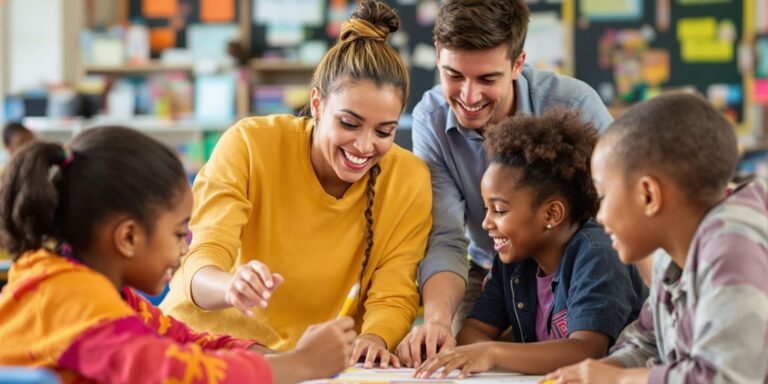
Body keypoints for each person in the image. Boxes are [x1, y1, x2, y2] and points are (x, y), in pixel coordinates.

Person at [160, 0, 431, 368]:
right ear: (317, 104)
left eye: (384, 131)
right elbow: (201, 258)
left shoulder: (408, 178)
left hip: (313, 365)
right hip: (207, 347)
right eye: (349, 124)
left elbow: (394, 290)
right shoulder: (251, 144)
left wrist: (374, 338)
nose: (365, 146)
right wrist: (230, 287)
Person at [0, 127, 357, 383]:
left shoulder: (109, 296)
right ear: (128, 237)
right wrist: (302, 366)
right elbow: (172, 373)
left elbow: (190, 343)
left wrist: (290, 359)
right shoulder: (66, 296)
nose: (185, 248)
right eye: (177, 233)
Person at [397, 0, 614, 366]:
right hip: (494, 269)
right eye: (454, 75)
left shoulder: (576, 105)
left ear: (517, 64)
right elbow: (447, 234)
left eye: (487, 79)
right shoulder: (430, 120)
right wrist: (437, 322)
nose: (468, 96)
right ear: (437, 56)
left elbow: (618, 212)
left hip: (580, 272)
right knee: (458, 361)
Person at [543, 92, 768, 383]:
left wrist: (618, 380)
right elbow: (646, 343)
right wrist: (604, 371)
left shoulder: (734, 247)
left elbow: (722, 377)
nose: (600, 216)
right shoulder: (668, 258)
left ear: (648, 194)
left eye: (603, 195)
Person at [411, 109, 646, 377]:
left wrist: (493, 352)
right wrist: (476, 351)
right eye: (486, 209)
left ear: (551, 214)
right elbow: (473, 332)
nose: (486, 223)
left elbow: (586, 351)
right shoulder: (512, 261)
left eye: (498, 210)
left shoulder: (597, 253)